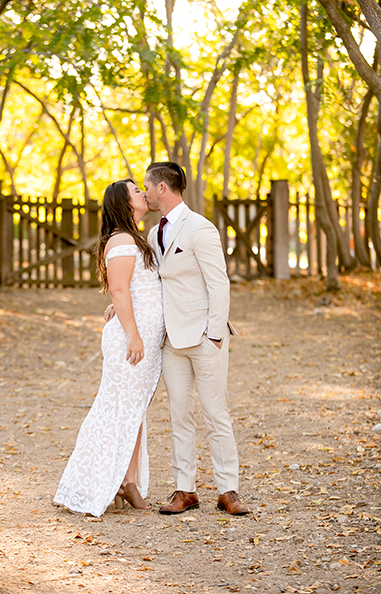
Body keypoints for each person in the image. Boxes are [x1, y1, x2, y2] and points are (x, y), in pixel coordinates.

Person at [53, 179, 164, 517]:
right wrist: (132, 333)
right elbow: (117, 288)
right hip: (133, 340)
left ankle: (127, 481)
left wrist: (126, 312)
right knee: (117, 409)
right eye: (136, 191)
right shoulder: (121, 239)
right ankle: (93, 483)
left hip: (143, 336)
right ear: (123, 202)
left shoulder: (133, 237)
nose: (143, 194)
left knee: (134, 409)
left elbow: (132, 285)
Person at [144, 161, 248, 515]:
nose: (144, 192)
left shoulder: (200, 228)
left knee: (215, 413)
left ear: (162, 188)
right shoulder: (151, 235)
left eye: (147, 186)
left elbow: (219, 283)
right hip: (171, 341)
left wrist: (215, 336)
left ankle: (228, 490)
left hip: (205, 338)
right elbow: (153, 284)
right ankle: (184, 490)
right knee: (179, 414)